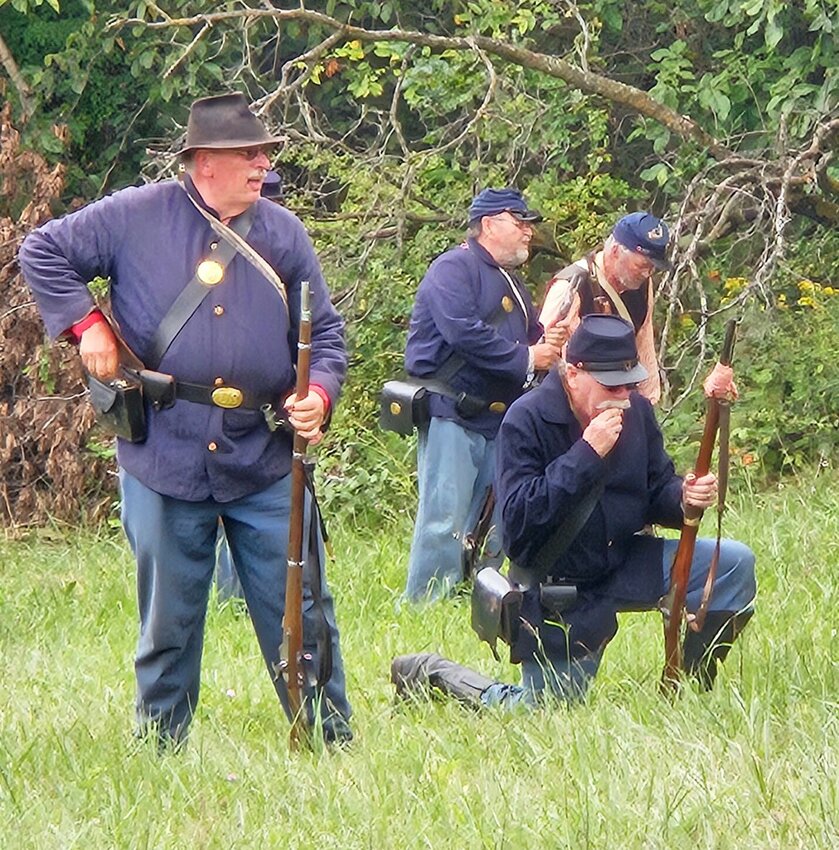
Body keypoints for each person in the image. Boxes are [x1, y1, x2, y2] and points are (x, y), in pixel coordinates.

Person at [19, 92, 353, 747]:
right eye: (247, 154)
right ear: (204, 162)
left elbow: (329, 334)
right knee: (168, 622)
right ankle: (161, 748)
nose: (262, 165)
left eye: (264, 155)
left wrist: (318, 391)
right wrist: (87, 325)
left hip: (263, 454)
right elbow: (41, 250)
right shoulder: (134, 215)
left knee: (304, 611)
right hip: (163, 452)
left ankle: (325, 739)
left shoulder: (283, 233)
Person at [392, 314, 755, 706]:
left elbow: (656, 488)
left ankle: (692, 689)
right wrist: (586, 455)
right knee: (540, 711)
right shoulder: (525, 419)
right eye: (612, 385)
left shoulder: (637, 413)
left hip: (622, 559)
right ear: (575, 372)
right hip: (561, 585)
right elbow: (518, 528)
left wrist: (684, 496)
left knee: (733, 564)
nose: (623, 396)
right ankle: (433, 673)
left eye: (629, 384)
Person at [402, 187, 565, 602]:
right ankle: (425, 604)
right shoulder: (452, 269)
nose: (529, 232)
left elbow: (525, 339)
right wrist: (530, 356)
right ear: (489, 225)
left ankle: (481, 601)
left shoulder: (511, 281)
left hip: (498, 418)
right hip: (453, 411)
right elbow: (464, 334)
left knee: (495, 519)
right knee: (444, 519)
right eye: (519, 222)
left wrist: (547, 342)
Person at [539, 211, 671, 404]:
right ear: (616, 251)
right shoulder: (570, 286)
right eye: (642, 264)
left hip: (622, 396)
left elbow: (644, 339)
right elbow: (546, 356)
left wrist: (648, 401)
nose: (647, 273)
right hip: (577, 403)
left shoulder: (642, 284)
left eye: (652, 267)